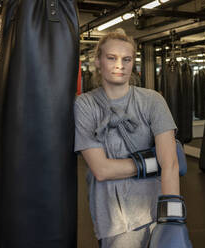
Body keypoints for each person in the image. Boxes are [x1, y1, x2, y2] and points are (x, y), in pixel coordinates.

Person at [74, 29, 180, 247]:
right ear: (98, 61)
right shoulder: (85, 105)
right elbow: (101, 170)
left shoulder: (152, 101)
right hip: (115, 222)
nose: (119, 65)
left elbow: (170, 165)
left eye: (127, 59)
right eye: (111, 58)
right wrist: (153, 163)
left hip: (156, 211)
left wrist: (173, 220)